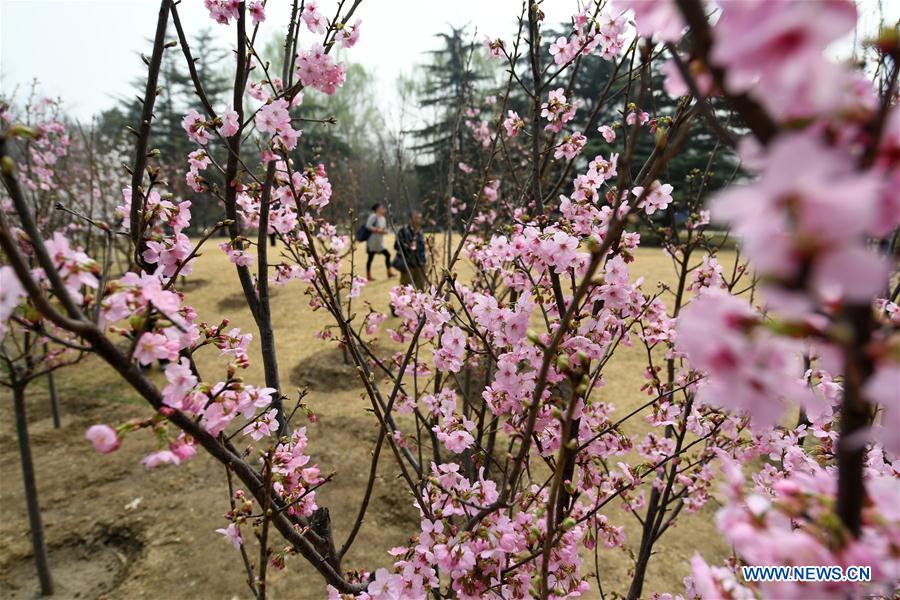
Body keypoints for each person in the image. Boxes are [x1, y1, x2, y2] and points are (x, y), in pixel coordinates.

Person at [393, 211, 427, 290]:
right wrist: (408, 246)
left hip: (420, 265)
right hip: (408, 265)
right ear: (410, 219)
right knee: (405, 289)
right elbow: (397, 246)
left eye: (419, 218)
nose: (418, 220)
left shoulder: (420, 232)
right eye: (416, 218)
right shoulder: (403, 231)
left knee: (420, 288)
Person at [365, 203, 394, 280]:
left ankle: (389, 272)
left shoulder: (383, 219)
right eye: (381, 208)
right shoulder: (373, 216)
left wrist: (385, 231)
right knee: (370, 258)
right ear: (377, 209)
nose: (383, 209)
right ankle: (368, 275)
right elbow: (368, 226)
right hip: (372, 241)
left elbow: (383, 228)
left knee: (388, 255)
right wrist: (377, 230)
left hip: (380, 242)